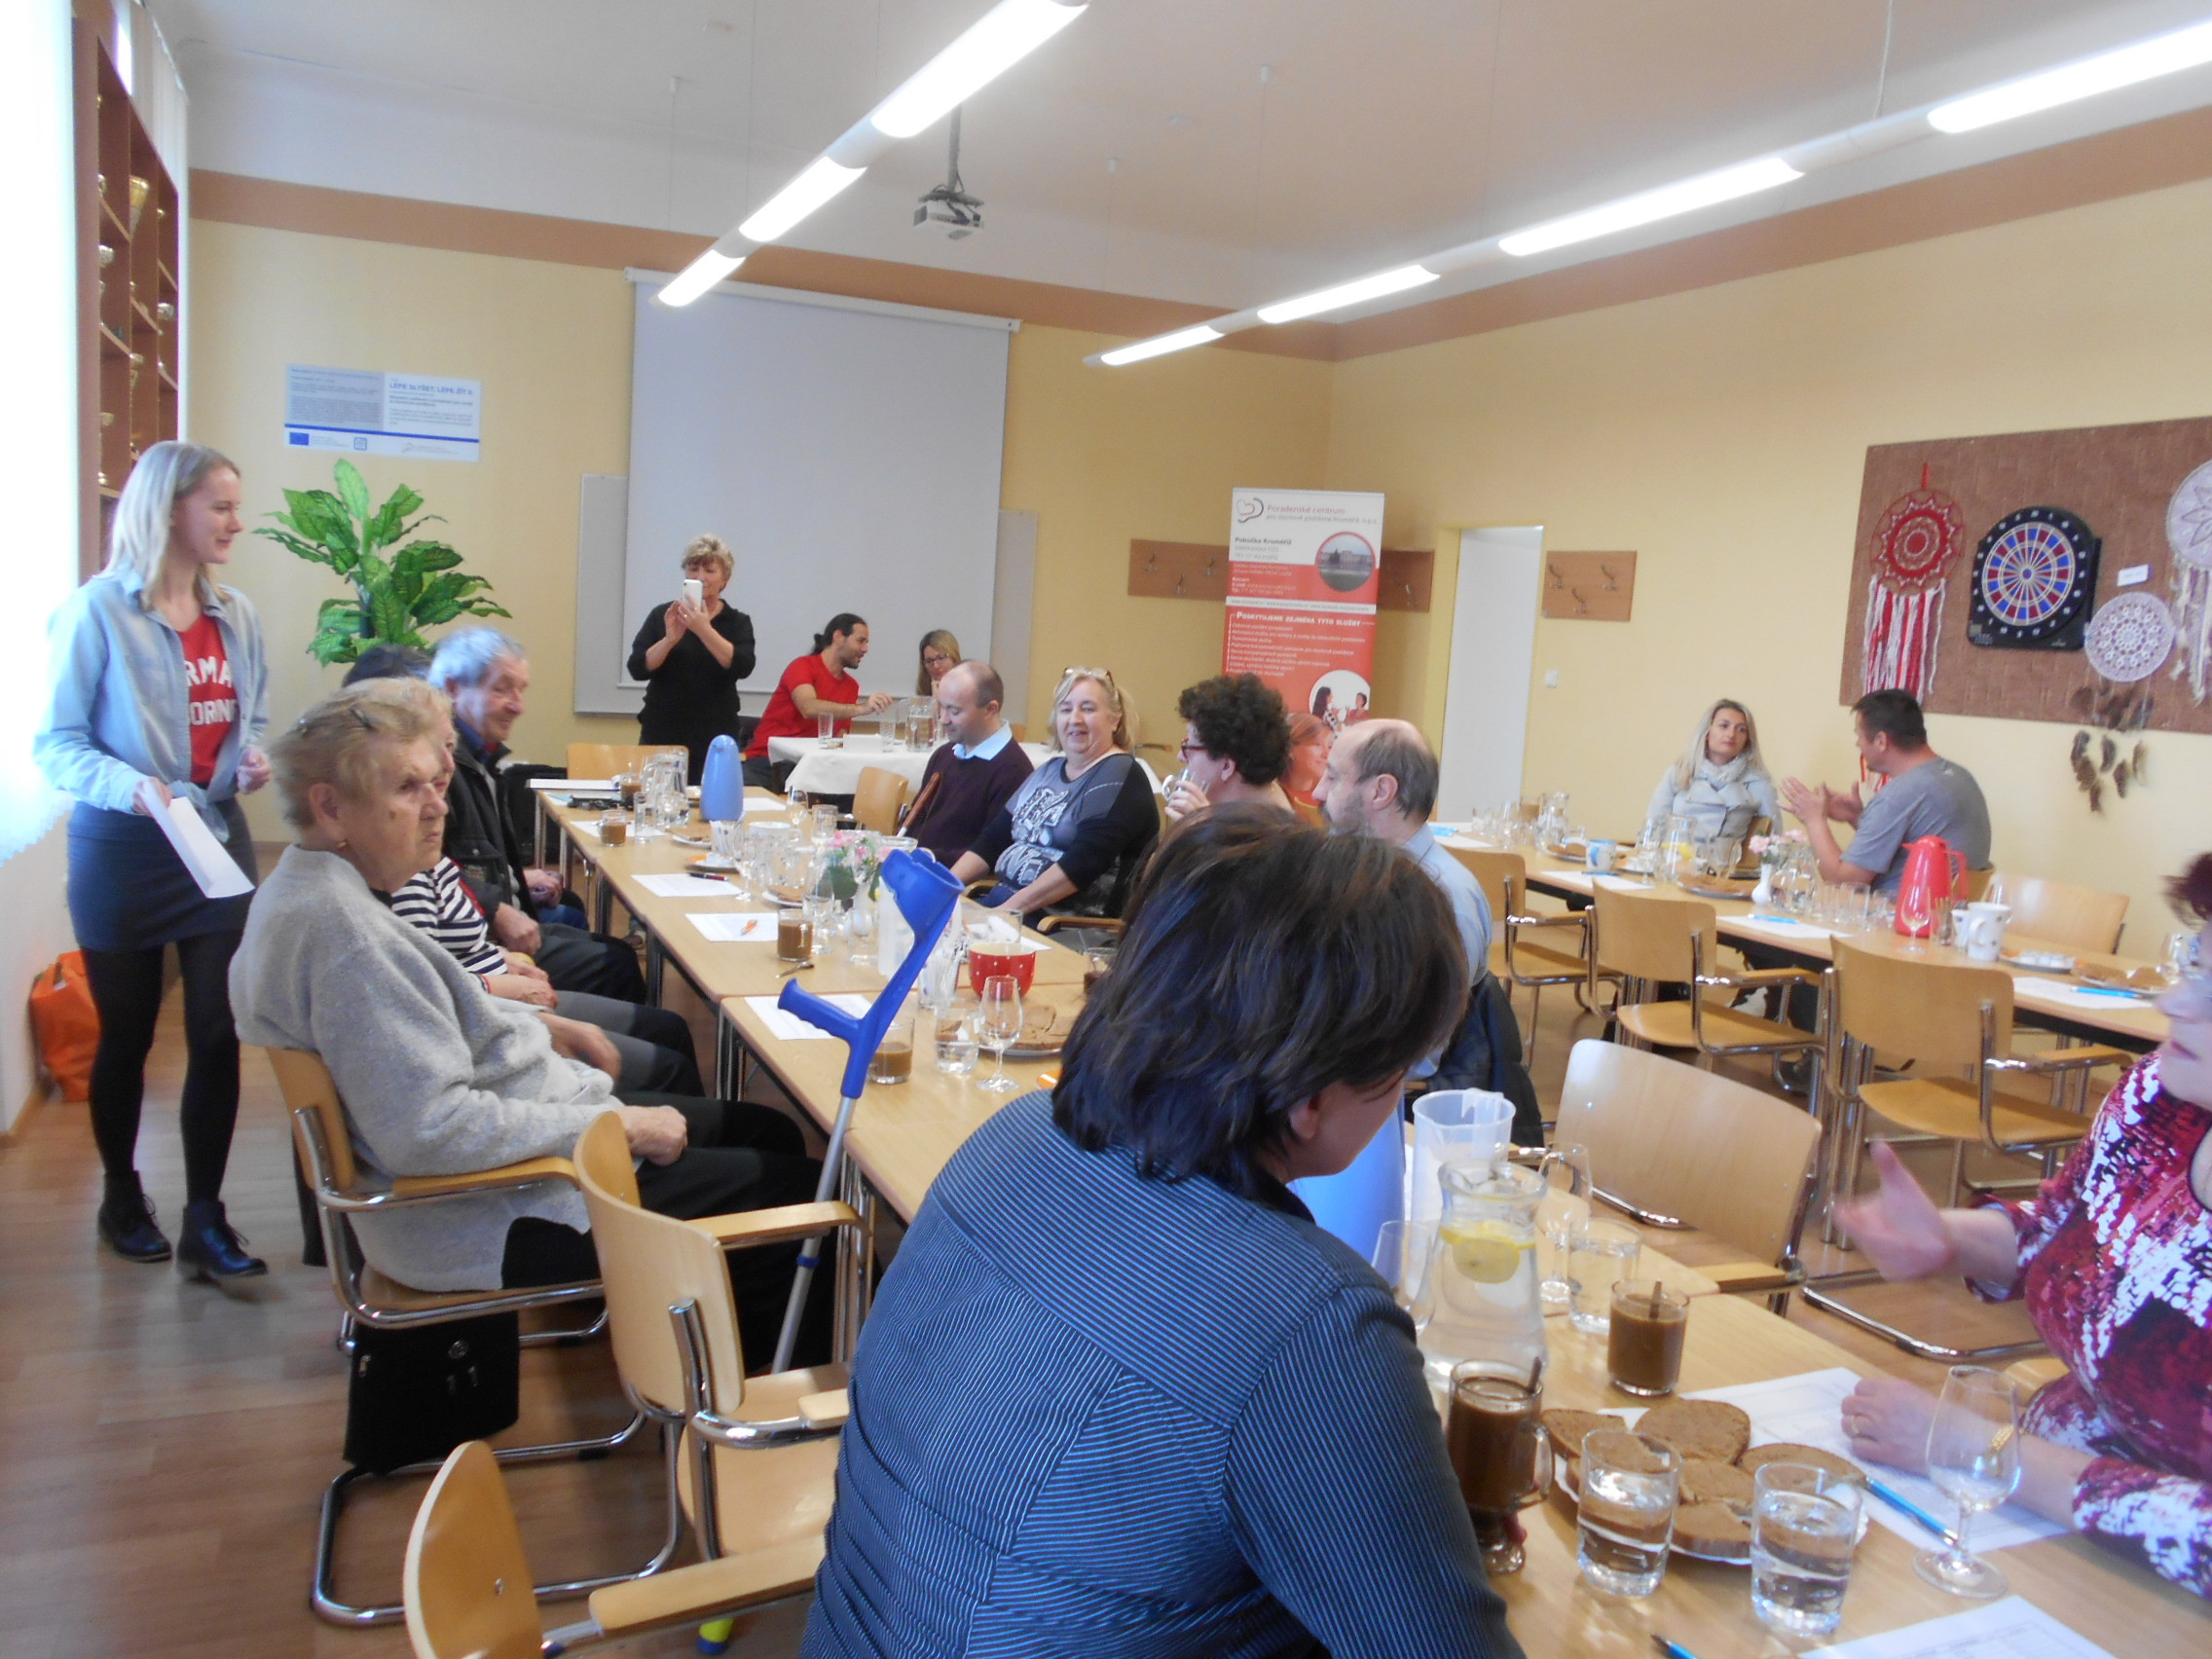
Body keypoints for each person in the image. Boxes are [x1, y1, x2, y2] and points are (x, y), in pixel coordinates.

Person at [803, 809, 1523, 1658]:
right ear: (1311, 1093)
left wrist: (1386, 1476)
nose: (1403, 1089)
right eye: (1403, 1066)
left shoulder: (1011, 1136)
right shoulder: (1311, 1323)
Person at [228, 685, 829, 1364]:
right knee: (800, 1196)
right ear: (330, 806)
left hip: (517, 1156)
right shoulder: (349, 939)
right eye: (406, 788)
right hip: (496, 1207)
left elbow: (424, 1039)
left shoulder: (309, 892)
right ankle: (743, 1401)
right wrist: (619, 1128)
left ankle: (709, 1340)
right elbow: (431, 1132)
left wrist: (540, 1027)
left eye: (434, 784)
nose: (437, 807)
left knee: (770, 1132)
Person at [1831, 853, 2212, 1598]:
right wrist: (1948, 1240)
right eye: (2196, 962)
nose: (2175, 1000)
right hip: (2043, 1524)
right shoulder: (2162, 1096)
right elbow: (2066, 1231)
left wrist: (1973, 1446)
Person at [34, 442, 270, 1280]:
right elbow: (57, 745)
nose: (237, 522)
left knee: (216, 1029)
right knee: (127, 1035)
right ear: (170, 509)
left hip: (213, 839)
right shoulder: (95, 612)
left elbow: (251, 715)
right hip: (126, 847)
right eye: (221, 507)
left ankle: (206, 1215)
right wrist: (132, 787)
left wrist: (249, 758)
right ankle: (120, 1196)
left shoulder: (237, 613)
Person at [340, 659, 705, 1096]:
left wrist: (495, 959)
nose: (441, 785)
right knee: (654, 1031)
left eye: (448, 747)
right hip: (496, 1037)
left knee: (654, 1015)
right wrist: (509, 989)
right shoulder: (391, 875)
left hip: (491, 996)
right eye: (414, 775)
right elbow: (428, 1005)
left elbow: (437, 967)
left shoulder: (405, 852)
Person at [1317, 720, 1537, 1138]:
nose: (1317, 792)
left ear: (1381, 791)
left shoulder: (1443, 899)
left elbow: (1414, 1055)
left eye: (1332, 777)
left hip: (1390, 1111)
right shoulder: (1356, 872)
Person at [427, 629, 646, 1002]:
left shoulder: (482, 758)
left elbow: (464, 857)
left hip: (490, 920)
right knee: (617, 962)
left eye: (521, 690)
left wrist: (516, 879)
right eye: (502, 689)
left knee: (583, 920)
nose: (518, 706)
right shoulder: (442, 770)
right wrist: (498, 908)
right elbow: (428, 869)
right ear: (452, 688)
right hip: (480, 943)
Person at [950, 668, 1159, 922]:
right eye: (1066, 709)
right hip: (1011, 911)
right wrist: (944, 886)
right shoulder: (1049, 770)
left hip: (1065, 927)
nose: (1075, 719)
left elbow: (1083, 863)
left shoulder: (1119, 774)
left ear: (1115, 720)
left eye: (1088, 709)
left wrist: (1000, 915)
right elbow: (993, 840)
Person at [1780, 688, 1990, 892]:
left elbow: (1843, 883)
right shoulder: (1960, 777)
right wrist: (1859, 818)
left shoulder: (1898, 796)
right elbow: (1908, 839)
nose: (1858, 744)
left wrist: (1814, 820)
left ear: (1881, 741)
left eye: (1859, 736)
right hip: (1950, 912)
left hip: (1898, 912)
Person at [625, 535, 756, 783]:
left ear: (724, 580)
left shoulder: (737, 622)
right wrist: (669, 640)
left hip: (714, 734)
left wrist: (703, 629)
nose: (700, 577)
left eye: (710, 570)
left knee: (710, 800)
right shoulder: (664, 615)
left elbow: (743, 665)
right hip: (663, 730)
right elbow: (637, 667)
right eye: (693, 569)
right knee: (658, 797)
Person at [898, 660, 1032, 866]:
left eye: (954, 711)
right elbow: (917, 822)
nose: (943, 719)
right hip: (918, 868)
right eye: (941, 708)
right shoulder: (944, 754)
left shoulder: (1013, 770)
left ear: (990, 709)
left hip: (954, 878)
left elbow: (995, 853)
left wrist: (929, 858)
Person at [743, 613, 894, 791]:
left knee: (860, 788)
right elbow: (808, 707)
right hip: (771, 761)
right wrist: (863, 708)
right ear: (838, 637)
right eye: (860, 641)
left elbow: (840, 737)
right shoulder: (802, 666)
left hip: (812, 766)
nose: (865, 649)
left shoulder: (851, 686)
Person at [1163, 671, 1295, 821]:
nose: (1180, 756)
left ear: (1227, 766)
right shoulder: (1263, 804)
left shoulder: (1267, 831)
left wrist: (1202, 828)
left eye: (1189, 749)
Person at [1644, 698, 1780, 843]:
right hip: (1673, 854)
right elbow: (1653, 824)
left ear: (1747, 740)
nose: (1731, 734)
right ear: (1707, 732)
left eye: (1741, 729)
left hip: (1725, 856)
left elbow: (1774, 841)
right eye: (1724, 726)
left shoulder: (1758, 783)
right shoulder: (1681, 771)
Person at [1283, 710, 1332, 827]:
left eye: (1330, 746)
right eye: (1317, 745)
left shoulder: (1332, 796)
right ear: (1290, 749)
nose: (1326, 754)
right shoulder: (1270, 795)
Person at [914, 628, 961, 697]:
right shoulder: (922, 700)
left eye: (941, 658)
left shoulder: (971, 694)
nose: (935, 666)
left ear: (954, 658)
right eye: (929, 661)